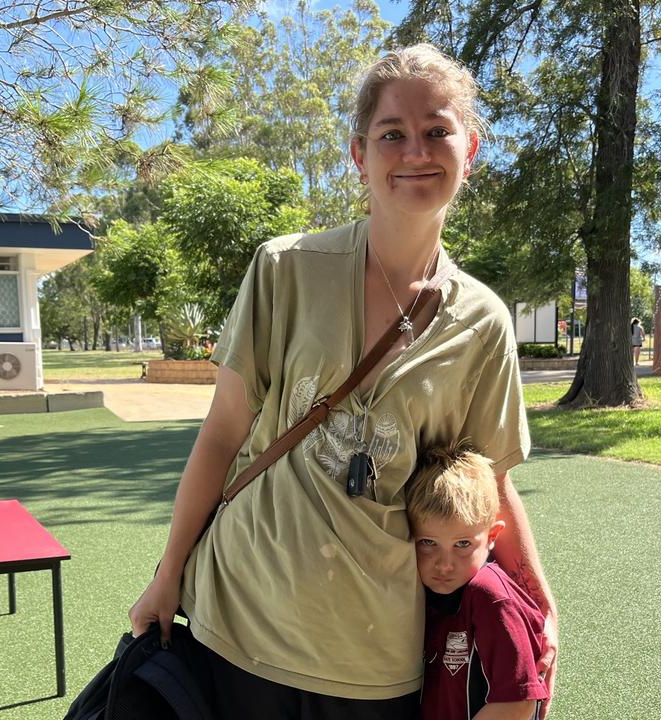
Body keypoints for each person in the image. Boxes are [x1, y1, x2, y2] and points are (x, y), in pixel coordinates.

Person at [128, 44, 557, 720]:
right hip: (239, 618)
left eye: (437, 130)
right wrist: (167, 572)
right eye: (392, 133)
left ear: (468, 149)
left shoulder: (484, 322)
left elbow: (491, 480)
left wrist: (540, 602)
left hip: (377, 655)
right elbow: (222, 435)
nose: (415, 149)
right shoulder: (286, 269)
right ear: (360, 153)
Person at [409, 446, 548, 720]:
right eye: (428, 543)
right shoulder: (420, 592)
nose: (444, 564)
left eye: (463, 544)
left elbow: (518, 703)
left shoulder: (491, 597)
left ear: (492, 535)